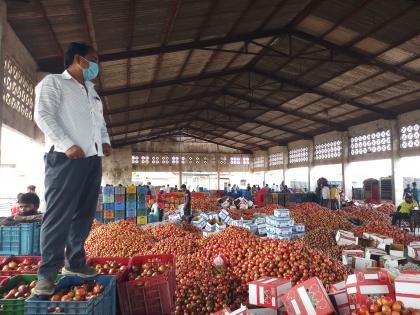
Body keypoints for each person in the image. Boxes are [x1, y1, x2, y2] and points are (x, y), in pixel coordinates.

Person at [33, 42, 111, 296]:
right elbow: (43, 115)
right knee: (58, 216)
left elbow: (97, 123)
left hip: (92, 159)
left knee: (84, 215)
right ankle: (47, 275)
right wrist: (67, 144)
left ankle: (75, 263)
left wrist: (106, 141)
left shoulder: (91, 91)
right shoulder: (54, 83)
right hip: (66, 158)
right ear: (79, 59)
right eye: (93, 59)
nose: (96, 65)